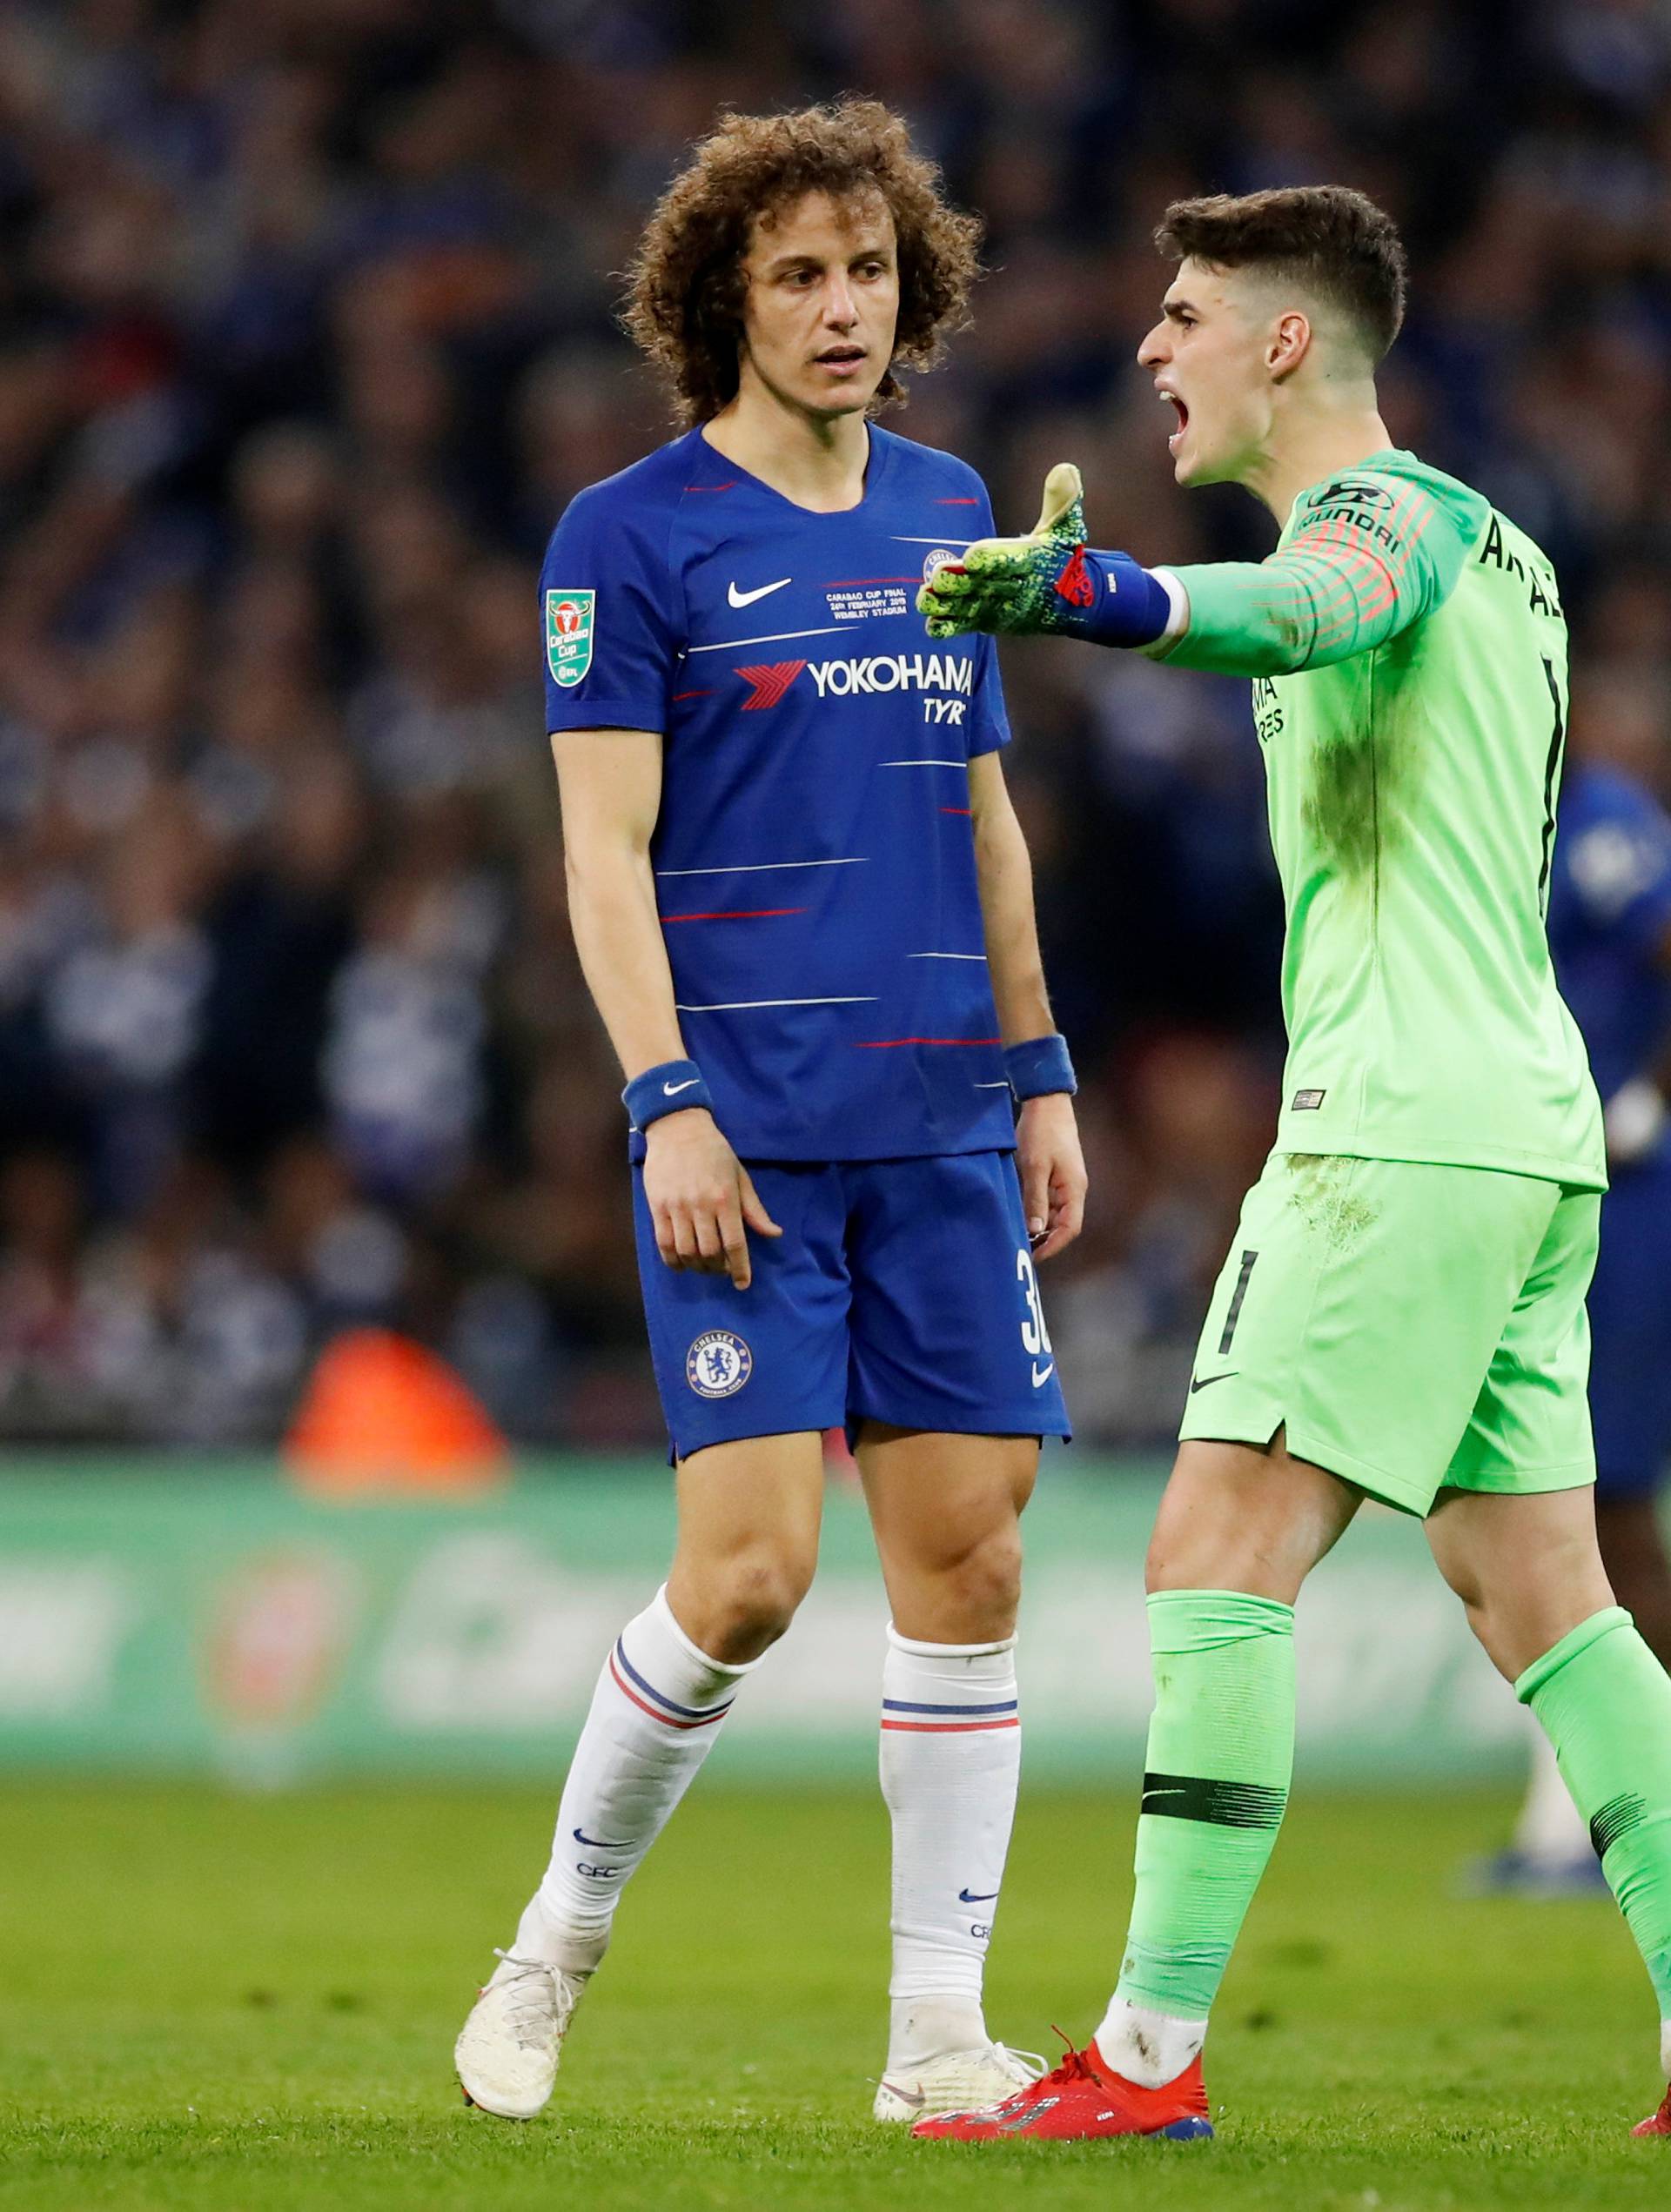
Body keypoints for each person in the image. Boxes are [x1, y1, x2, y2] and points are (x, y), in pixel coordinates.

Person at [914, 183, 1671, 2144]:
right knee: (1549, 1602)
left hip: (1400, 1122)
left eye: (1181, 317)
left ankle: (1145, 2057)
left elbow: (1296, 606)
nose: (1151, 350)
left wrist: (1106, 598)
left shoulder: (1384, 527)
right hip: (1529, 1122)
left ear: (1279, 340)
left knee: (1215, 1554)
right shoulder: (1511, 552)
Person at [453, 100, 1083, 2125]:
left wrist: (1041, 1064)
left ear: (915, 290)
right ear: (721, 295)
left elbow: (984, 813)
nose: (839, 306)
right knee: (743, 1574)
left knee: (971, 1564)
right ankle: (553, 1940)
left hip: (941, 1125)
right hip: (741, 1130)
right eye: (799, 272)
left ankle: (935, 2039)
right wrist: (665, 1102)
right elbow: (600, 857)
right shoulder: (629, 537)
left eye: (868, 270)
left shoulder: (953, 509)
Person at [1480, 674, 1671, 1892]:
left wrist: (1651, 1094)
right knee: (1544, 1497)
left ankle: (1619, 1804)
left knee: (1603, 1494)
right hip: (1537, 1186)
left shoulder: (1598, 819)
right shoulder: (1499, 822)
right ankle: (1578, 1804)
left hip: (1627, 1194)